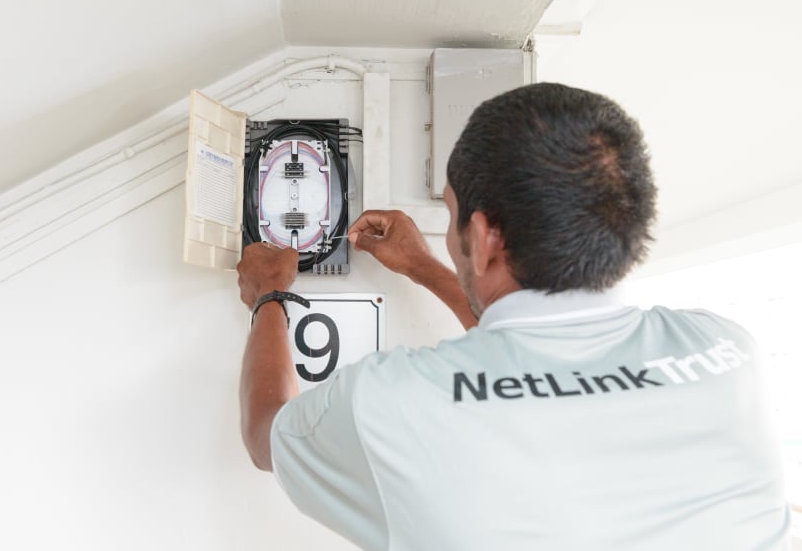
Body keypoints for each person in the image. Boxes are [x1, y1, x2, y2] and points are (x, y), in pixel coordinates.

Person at [236, 83, 791, 550]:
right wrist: (429, 270)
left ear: (482, 238)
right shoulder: (726, 351)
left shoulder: (391, 400)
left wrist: (270, 295)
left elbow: (266, 436)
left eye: (452, 217)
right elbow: (540, 366)